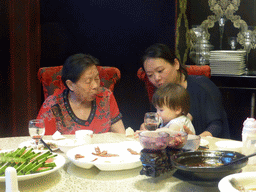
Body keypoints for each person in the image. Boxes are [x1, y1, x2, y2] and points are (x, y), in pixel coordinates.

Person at [141, 43, 230, 138]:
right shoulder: (160, 94)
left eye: (160, 71)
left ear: (176, 64)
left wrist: (197, 139)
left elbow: (217, 124)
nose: (156, 78)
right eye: (150, 75)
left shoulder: (202, 86)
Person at [37, 53, 126, 135]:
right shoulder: (53, 105)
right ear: (70, 85)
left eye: (97, 78)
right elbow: (41, 143)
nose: (95, 85)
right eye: (88, 81)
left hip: (101, 152)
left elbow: (120, 135)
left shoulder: (106, 96)